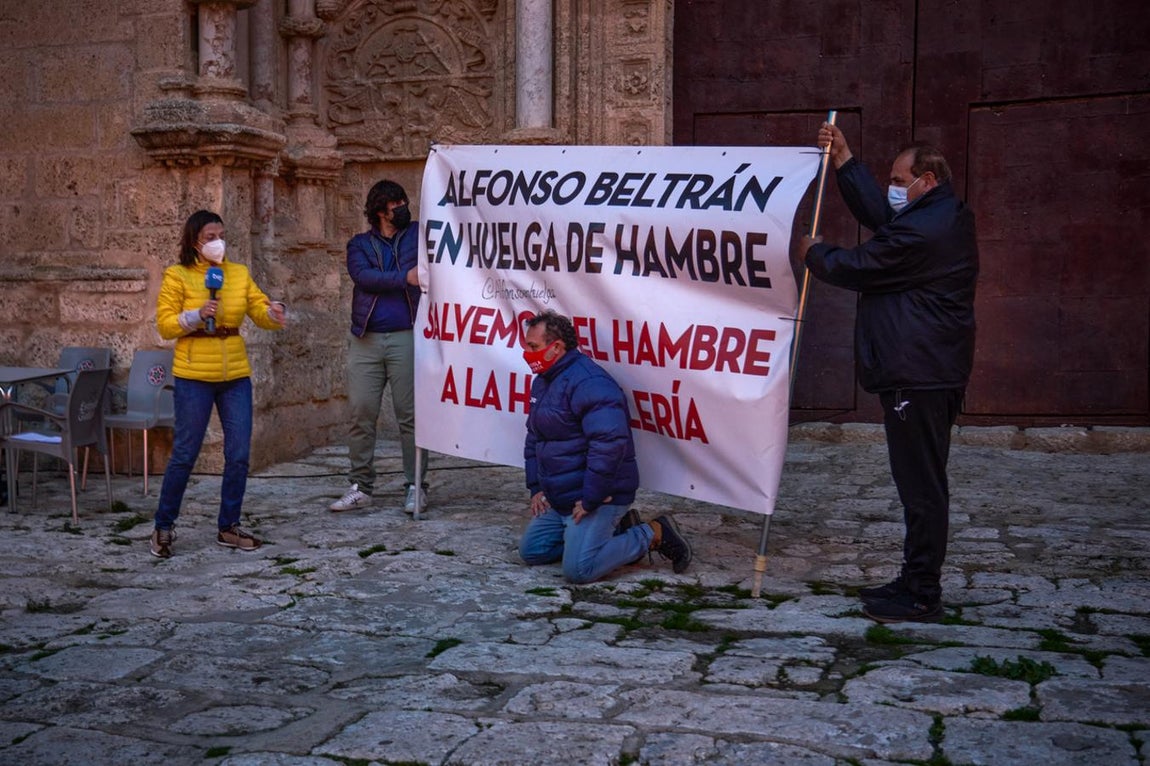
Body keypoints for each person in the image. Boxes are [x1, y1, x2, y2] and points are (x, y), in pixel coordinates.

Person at [800, 123, 978, 623]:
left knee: (921, 485)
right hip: (924, 369)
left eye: (899, 179)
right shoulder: (937, 215)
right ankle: (914, 579)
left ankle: (922, 593)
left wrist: (814, 254)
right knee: (919, 482)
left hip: (919, 373)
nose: (893, 188)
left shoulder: (928, 228)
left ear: (926, 179)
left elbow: (862, 265)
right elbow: (881, 216)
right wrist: (845, 160)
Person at [517, 311, 692, 583]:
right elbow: (535, 436)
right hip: (563, 495)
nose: (527, 353)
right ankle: (609, 535)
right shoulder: (544, 382)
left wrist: (591, 497)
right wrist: (536, 487)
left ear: (557, 348)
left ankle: (652, 533)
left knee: (578, 571)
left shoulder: (591, 383)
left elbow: (609, 445)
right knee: (532, 552)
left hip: (596, 496)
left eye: (533, 347)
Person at [150, 210, 287, 558]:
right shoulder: (177, 275)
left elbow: (257, 308)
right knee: (185, 452)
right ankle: (163, 526)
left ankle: (229, 526)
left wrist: (273, 313)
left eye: (221, 235)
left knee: (239, 453)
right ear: (195, 241)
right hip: (194, 374)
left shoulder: (238, 274)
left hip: (234, 375)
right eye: (210, 237)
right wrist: (197, 315)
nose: (217, 242)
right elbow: (165, 325)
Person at [329, 179, 427, 514]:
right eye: (395, 203)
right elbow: (364, 278)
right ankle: (360, 485)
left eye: (403, 200)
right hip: (366, 339)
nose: (402, 207)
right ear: (379, 210)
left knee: (411, 415)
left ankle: (416, 485)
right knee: (361, 412)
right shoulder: (358, 245)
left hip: (408, 335)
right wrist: (405, 278)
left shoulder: (418, 234)